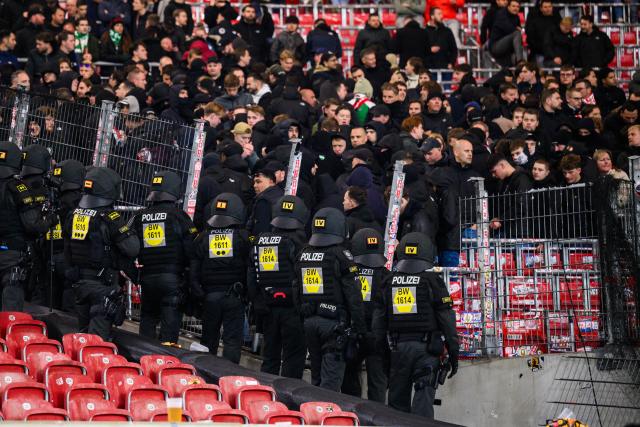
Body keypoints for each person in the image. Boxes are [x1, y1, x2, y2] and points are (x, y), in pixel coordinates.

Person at [372, 232, 458, 418]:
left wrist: (383, 356)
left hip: (397, 350)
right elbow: (447, 320)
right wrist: (454, 352)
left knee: (396, 406)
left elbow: (378, 324)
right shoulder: (433, 281)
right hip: (426, 351)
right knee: (423, 403)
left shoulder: (388, 282)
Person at [294, 208, 366, 390]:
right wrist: (359, 329)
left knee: (316, 379)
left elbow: (296, 289)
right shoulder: (341, 255)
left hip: (309, 323)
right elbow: (354, 295)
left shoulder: (303, 253)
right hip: (334, 325)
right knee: (330, 385)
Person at [64, 167, 140, 339]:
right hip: (102, 286)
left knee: (82, 337)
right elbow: (132, 247)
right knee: (97, 342)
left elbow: (68, 249)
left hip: (79, 284)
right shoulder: (110, 217)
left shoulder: (73, 215)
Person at [132, 171, 197, 344]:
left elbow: (129, 246)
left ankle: (142, 360)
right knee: (169, 329)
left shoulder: (139, 217)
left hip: (147, 277)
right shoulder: (179, 216)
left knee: (147, 319)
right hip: (172, 279)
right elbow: (192, 248)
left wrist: (134, 275)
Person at [248, 195, 308, 378]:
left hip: (267, 307)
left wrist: (257, 301)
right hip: (292, 310)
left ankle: (266, 397)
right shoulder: (299, 244)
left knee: (270, 357)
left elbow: (252, 274)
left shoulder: (260, 241)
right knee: (293, 358)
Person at [190, 193, 249, 363]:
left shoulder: (202, 237)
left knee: (208, 340)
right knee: (232, 342)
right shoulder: (243, 238)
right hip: (234, 296)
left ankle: (206, 376)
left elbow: (193, 271)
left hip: (210, 297)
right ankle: (230, 378)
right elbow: (250, 268)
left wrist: (200, 295)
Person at [0, 142, 57, 311]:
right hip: (11, 255)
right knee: (10, 312)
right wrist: (52, 219)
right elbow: (34, 225)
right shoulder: (17, 188)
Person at [341, 228, 388, 403]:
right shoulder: (385, 275)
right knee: (378, 386)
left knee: (350, 381)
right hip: (377, 336)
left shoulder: (349, 273)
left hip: (354, 333)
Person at [48, 159, 85, 312]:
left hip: (50, 254)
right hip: (68, 255)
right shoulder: (80, 202)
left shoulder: (52, 196)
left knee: (48, 299)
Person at [524, 0, 560, 66]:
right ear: (541, 8)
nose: (548, 9)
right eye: (545, 7)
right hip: (539, 51)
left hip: (554, 53)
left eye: (549, 7)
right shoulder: (535, 21)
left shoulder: (556, 19)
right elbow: (530, 38)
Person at [489, 0, 524, 66]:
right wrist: (516, 29)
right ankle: (520, 61)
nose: (516, 8)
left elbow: (518, 31)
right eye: (513, 6)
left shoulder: (516, 17)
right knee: (516, 33)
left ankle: (520, 66)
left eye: (517, 7)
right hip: (496, 46)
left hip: (508, 46)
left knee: (520, 45)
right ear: (508, 7)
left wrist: (517, 29)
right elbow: (509, 29)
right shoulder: (501, 14)